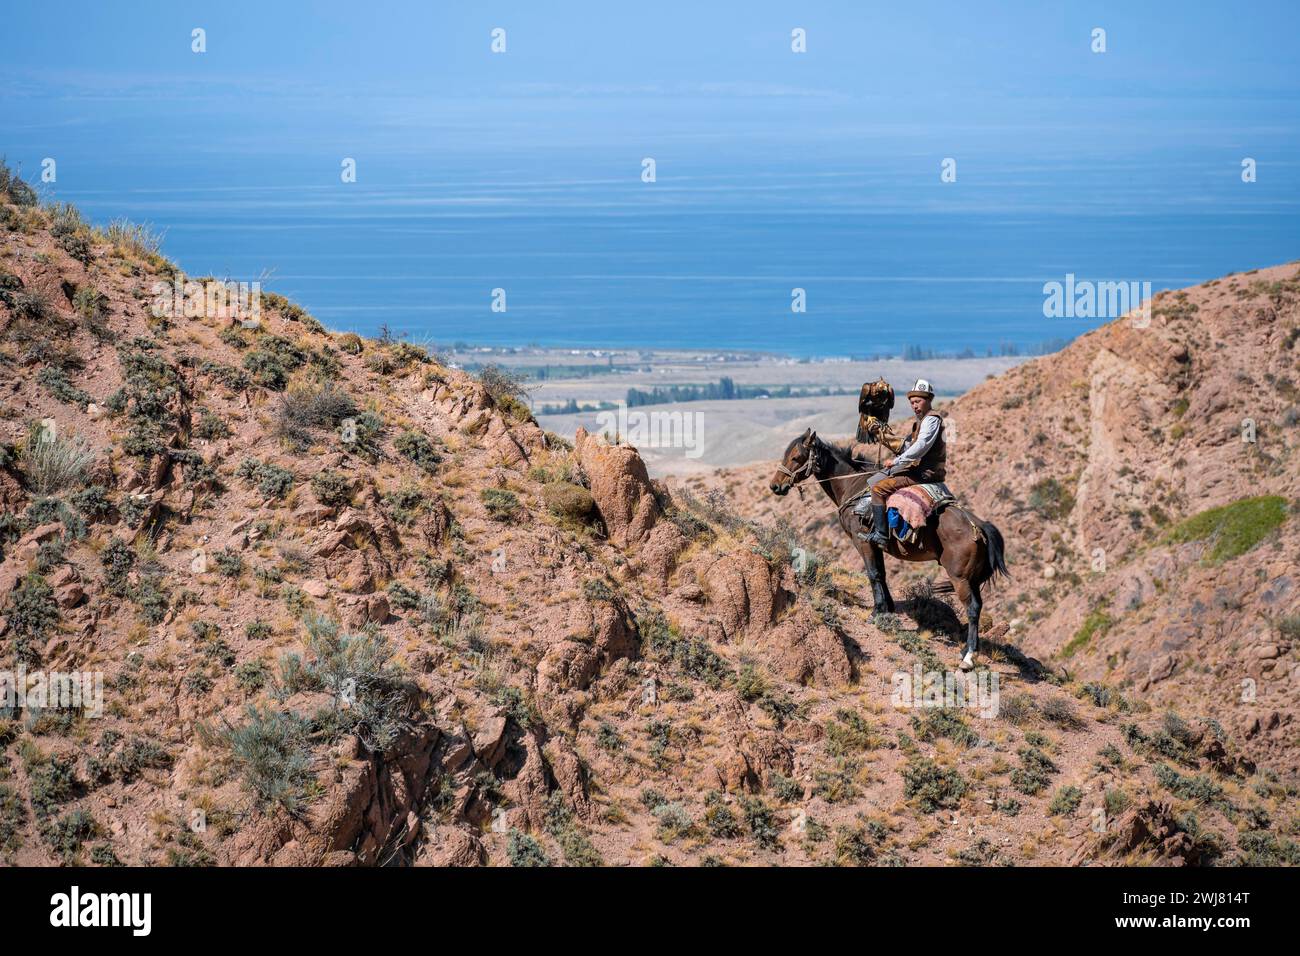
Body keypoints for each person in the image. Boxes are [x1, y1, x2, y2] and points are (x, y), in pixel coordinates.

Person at [853, 378, 947, 547]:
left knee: (878, 489)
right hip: (917, 470)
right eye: (912, 402)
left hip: (925, 474)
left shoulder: (931, 420)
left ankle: (881, 535)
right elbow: (908, 446)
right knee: (874, 479)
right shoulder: (921, 422)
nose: (914, 405)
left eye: (918, 401)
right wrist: (882, 434)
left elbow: (921, 446)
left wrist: (897, 461)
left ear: (928, 400)